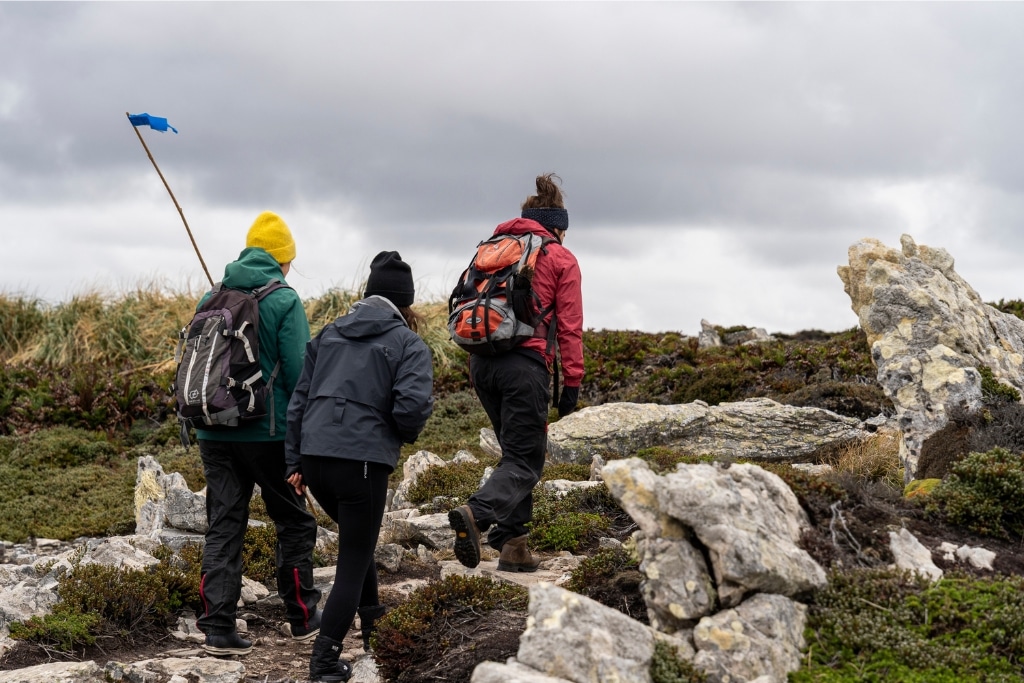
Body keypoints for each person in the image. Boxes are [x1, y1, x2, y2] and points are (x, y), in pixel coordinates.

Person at [285, 251, 434, 682]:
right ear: (405, 301)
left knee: (359, 539)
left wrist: (294, 459)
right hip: (362, 464)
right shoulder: (408, 343)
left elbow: (300, 399)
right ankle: (325, 661)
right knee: (353, 558)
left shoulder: (329, 332)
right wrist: (392, 434)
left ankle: (374, 628)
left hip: (314, 462)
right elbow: (411, 411)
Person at [195, 211, 322, 656]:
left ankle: (217, 628)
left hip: (213, 431)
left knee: (224, 524)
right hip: (268, 436)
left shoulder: (212, 295)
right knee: (294, 521)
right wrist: (303, 443)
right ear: (283, 259)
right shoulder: (284, 300)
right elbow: (300, 375)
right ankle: (303, 617)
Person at [448, 173, 584, 573]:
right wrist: (571, 383)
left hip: (481, 365)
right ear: (558, 226)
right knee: (526, 460)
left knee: (515, 454)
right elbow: (570, 327)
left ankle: (515, 547)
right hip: (524, 367)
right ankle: (475, 513)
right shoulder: (559, 257)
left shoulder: (493, 249)